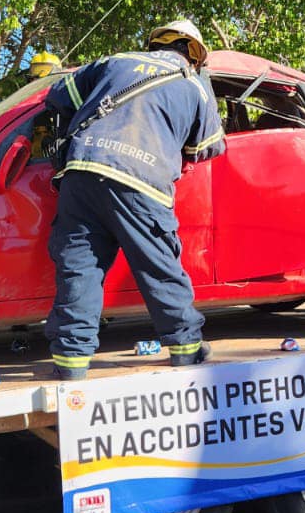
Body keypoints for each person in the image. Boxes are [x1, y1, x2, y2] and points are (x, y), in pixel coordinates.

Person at [43, 19, 225, 380]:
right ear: (194, 54)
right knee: (159, 266)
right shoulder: (192, 85)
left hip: (82, 171)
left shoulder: (115, 61)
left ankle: (71, 364)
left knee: (79, 269)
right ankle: (186, 350)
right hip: (141, 180)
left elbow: (57, 96)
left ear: (155, 43)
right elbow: (209, 147)